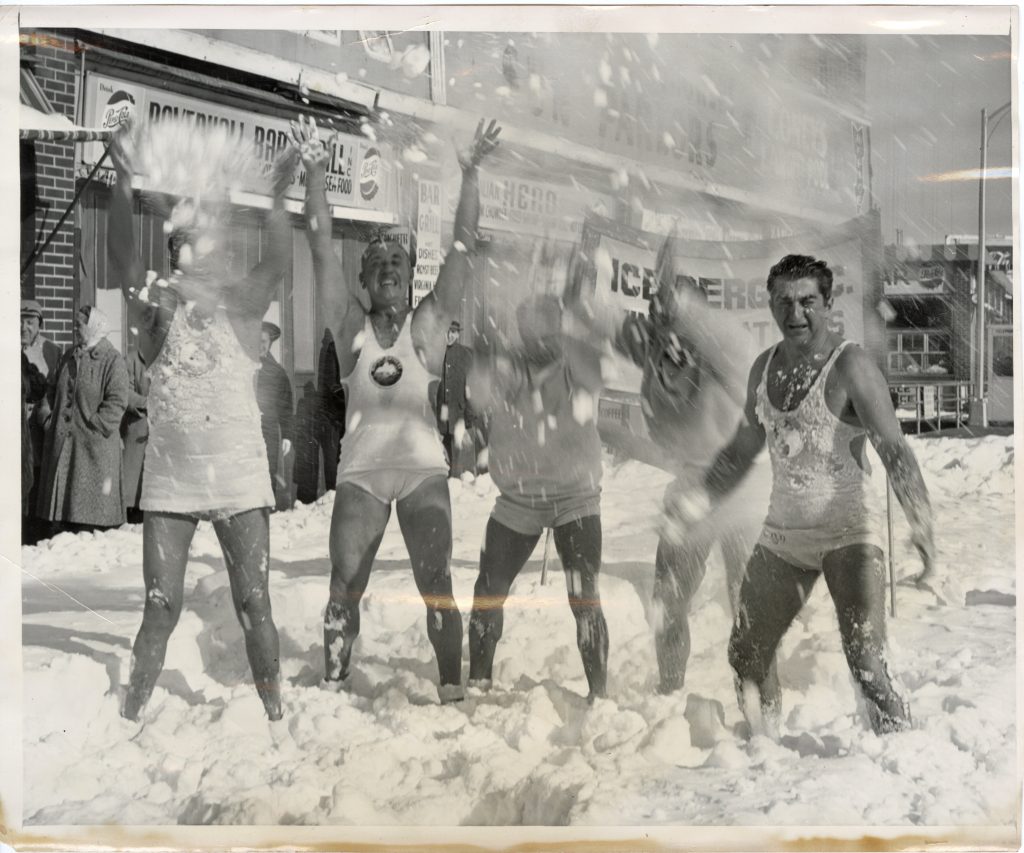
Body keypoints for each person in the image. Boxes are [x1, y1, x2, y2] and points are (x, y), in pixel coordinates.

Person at [675, 254, 935, 737]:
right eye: (784, 302)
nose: (795, 314)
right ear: (770, 304)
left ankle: (902, 749)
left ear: (828, 303)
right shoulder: (764, 368)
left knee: (865, 660)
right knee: (746, 654)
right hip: (783, 537)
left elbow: (894, 451)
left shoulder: (852, 365)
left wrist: (920, 524)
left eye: (807, 302)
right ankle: (763, 750)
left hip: (848, 532)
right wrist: (698, 498)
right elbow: (741, 450)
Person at [290, 114, 500, 702]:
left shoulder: (427, 327)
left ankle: (453, 689)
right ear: (363, 279)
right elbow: (317, 240)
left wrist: (471, 172)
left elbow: (462, 248)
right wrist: (312, 170)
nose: (388, 269)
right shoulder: (350, 326)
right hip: (360, 473)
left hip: (420, 471)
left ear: (410, 280)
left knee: (437, 585)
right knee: (343, 587)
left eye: (398, 265)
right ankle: (333, 686)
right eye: (377, 263)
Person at [109, 121, 297, 723]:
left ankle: (274, 713)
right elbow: (119, 257)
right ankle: (129, 716)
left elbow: (278, 263)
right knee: (161, 605)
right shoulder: (156, 315)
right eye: (178, 246)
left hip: (239, 478)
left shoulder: (241, 310)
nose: (189, 255)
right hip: (171, 483)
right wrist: (119, 181)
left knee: (254, 602)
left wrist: (276, 198)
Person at [574, 237, 771, 695]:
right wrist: (588, 277)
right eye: (657, 308)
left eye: (674, 308)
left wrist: (675, 300)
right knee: (668, 598)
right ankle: (670, 689)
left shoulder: (720, 346)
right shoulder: (652, 341)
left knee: (748, 601)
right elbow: (601, 314)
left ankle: (760, 694)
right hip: (692, 483)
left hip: (743, 483)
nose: (661, 316)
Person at [467, 294, 609, 701]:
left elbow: (599, 358)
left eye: (548, 328)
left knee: (584, 596)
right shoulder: (507, 366)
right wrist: (482, 348)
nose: (539, 338)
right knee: (488, 590)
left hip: (575, 497)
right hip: (518, 499)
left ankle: (599, 694)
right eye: (530, 328)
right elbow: (478, 395)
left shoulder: (577, 363)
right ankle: (478, 685)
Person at [36, 305, 129, 535]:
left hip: (94, 450)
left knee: (91, 522)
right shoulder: (69, 356)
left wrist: (96, 426)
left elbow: (117, 401)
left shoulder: (112, 360)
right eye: (75, 324)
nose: (75, 329)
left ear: (95, 325)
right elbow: (50, 389)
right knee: (64, 521)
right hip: (65, 446)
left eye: (80, 324)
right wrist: (47, 417)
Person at [21, 299, 63, 544]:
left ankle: (34, 535)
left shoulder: (52, 352)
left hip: (38, 430)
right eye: (21, 321)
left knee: (36, 479)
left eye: (30, 322)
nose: (24, 327)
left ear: (40, 325)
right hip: (14, 429)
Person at [257, 321, 294, 505]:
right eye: (258, 340)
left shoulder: (277, 372)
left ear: (270, 343)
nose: (261, 345)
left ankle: (267, 509)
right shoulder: (243, 368)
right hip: (245, 428)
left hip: (268, 430)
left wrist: (287, 435)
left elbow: (286, 406)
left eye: (265, 341)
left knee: (267, 468)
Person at [436, 320, 476, 478]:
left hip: (458, 409)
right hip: (441, 411)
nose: (450, 336)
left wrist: (469, 413)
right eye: (447, 332)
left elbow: (470, 385)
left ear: (458, 334)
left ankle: (459, 482)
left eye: (453, 332)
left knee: (459, 454)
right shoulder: (437, 353)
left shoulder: (465, 354)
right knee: (442, 450)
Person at [122, 347, 151, 525]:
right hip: (137, 429)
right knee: (134, 484)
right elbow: (124, 390)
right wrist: (146, 403)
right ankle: (132, 511)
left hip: (163, 433)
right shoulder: (132, 359)